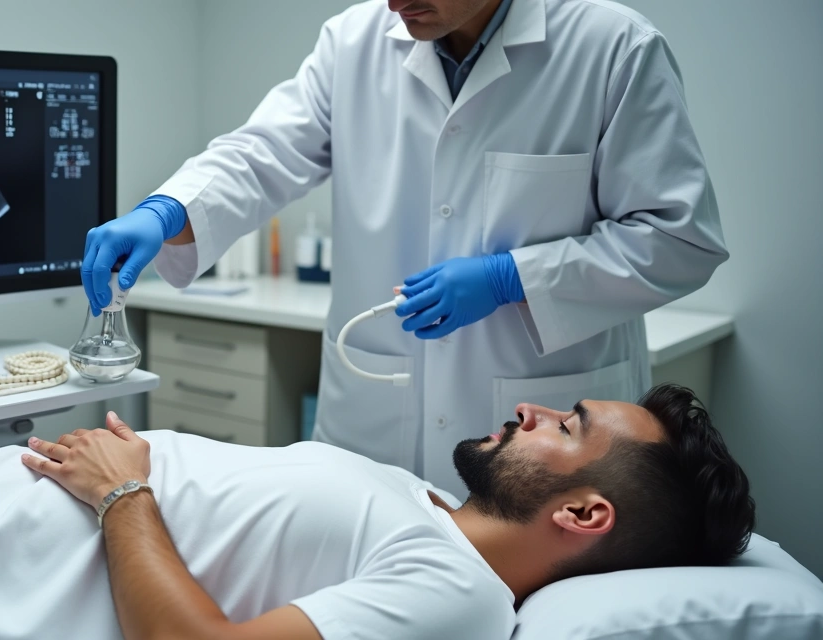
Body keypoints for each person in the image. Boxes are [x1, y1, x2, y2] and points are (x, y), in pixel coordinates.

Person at [80, 0, 729, 494]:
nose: (393, 3)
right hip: (375, 422)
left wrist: (514, 277)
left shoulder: (611, 47)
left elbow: (678, 238)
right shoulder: (354, 41)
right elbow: (264, 154)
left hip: (538, 418)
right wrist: (170, 210)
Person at [0, 383, 755, 639]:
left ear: (587, 516)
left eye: (565, 425)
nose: (528, 409)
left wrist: (124, 488)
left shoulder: (454, 598)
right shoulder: (422, 512)